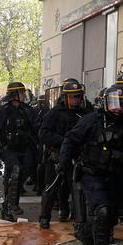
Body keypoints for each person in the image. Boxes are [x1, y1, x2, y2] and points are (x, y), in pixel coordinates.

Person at [59, 86, 123, 245]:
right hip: (92, 175)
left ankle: (90, 235)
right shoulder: (91, 121)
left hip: (117, 178)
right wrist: (64, 162)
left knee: (112, 214)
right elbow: (71, 139)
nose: (118, 108)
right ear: (105, 104)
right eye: (113, 103)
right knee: (102, 210)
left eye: (121, 103)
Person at [0, 82, 38, 221]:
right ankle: (8, 207)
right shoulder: (3, 111)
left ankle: (12, 202)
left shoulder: (27, 110)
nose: (23, 96)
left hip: (25, 147)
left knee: (26, 171)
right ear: (14, 95)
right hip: (9, 148)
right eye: (21, 93)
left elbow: (36, 128)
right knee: (14, 171)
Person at [39, 78, 86, 228]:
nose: (76, 100)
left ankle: (78, 219)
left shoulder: (84, 113)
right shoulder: (55, 113)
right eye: (73, 97)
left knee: (77, 188)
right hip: (57, 156)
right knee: (52, 187)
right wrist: (64, 140)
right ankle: (44, 217)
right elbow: (43, 133)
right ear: (65, 97)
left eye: (78, 96)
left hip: (76, 157)